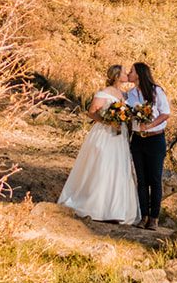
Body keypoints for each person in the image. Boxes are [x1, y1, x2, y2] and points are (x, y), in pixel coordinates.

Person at [58, 64, 141, 225]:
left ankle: (116, 209)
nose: (127, 75)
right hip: (105, 133)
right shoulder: (104, 93)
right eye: (124, 72)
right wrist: (108, 121)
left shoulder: (125, 94)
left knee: (118, 168)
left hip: (120, 136)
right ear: (117, 76)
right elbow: (92, 112)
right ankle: (95, 206)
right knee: (102, 165)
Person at [126, 61, 170, 230]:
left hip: (155, 139)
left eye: (131, 71)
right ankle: (143, 216)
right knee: (141, 179)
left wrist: (150, 126)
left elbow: (165, 113)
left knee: (155, 179)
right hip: (137, 140)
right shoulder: (131, 94)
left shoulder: (156, 91)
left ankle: (154, 218)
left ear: (139, 74)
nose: (129, 74)